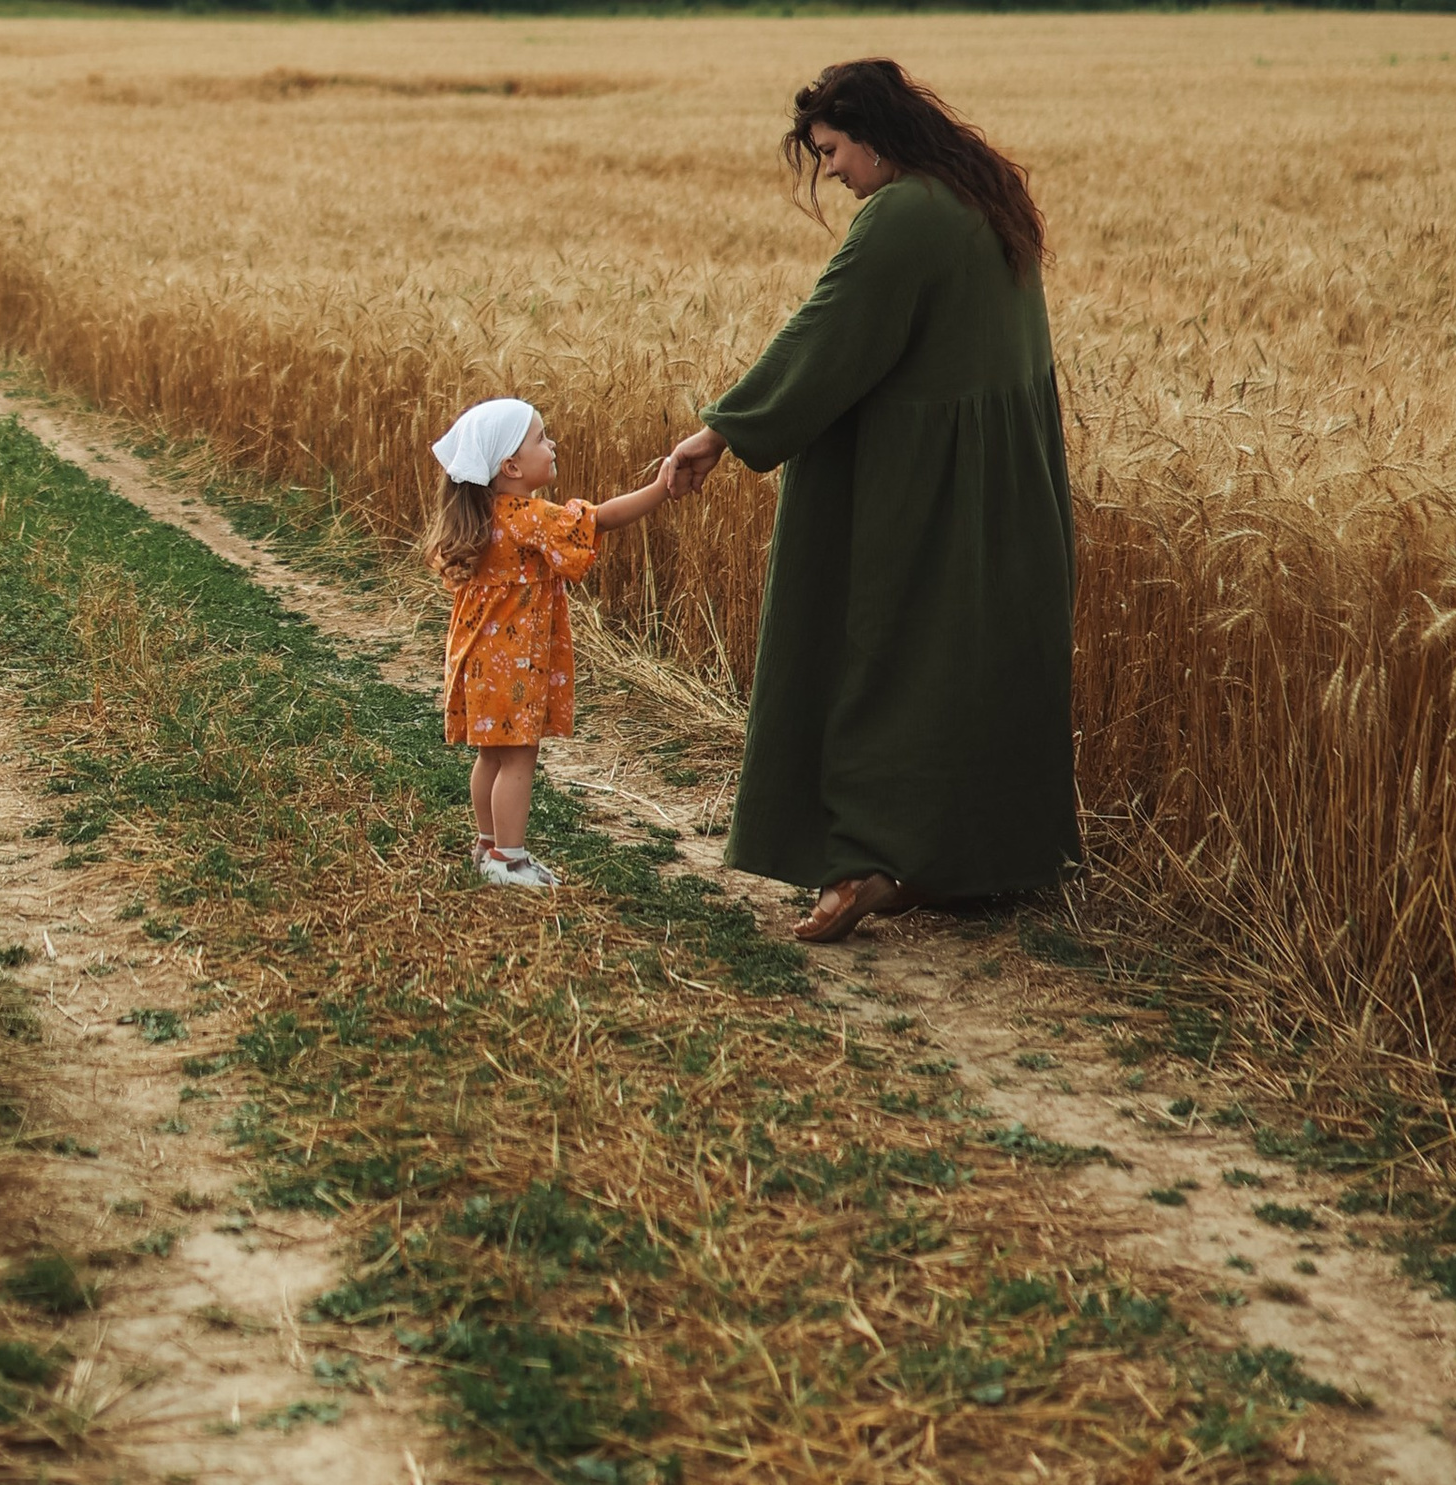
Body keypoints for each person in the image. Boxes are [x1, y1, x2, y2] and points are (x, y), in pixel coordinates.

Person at [666, 59, 1077, 942]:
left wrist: (723, 431)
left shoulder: (903, 215)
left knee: (876, 653)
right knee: (972, 663)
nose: (833, 174)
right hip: (1005, 483)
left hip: (920, 483)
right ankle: (968, 862)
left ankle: (859, 861)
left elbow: (827, 333)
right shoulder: (984, 192)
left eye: (833, 151)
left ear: (876, 137)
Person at [425, 398, 678, 892]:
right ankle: (508, 859)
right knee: (519, 758)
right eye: (541, 438)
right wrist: (659, 488)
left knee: (491, 757)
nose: (553, 444)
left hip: (479, 660)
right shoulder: (528, 517)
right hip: (512, 665)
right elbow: (600, 520)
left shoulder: (483, 516)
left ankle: (487, 847)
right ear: (511, 466)